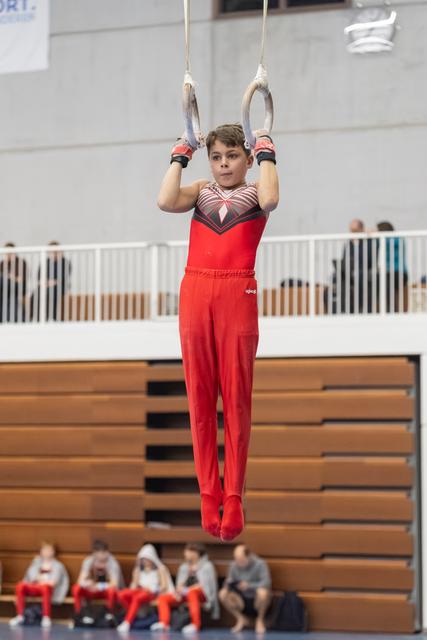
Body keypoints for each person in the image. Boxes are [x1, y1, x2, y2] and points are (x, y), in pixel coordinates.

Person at [157, 124, 279, 541]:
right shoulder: (200, 190)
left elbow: (271, 198)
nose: (224, 165)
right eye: (217, 157)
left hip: (237, 288)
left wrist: (266, 152)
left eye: (232, 156)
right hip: (195, 288)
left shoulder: (256, 188)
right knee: (200, 398)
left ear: (245, 158)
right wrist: (181, 154)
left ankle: (235, 494)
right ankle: (209, 494)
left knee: (236, 397)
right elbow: (164, 200)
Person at [151, 542, 219, 634]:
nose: (187, 554)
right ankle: (164, 623)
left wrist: (195, 576)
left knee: (192, 592)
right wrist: (178, 591)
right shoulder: (184, 567)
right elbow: (179, 585)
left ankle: (195, 624)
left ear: (196, 553)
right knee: (163, 598)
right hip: (185, 593)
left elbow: (208, 586)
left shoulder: (207, 566)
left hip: (201, 594)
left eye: (190, 552)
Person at [9, 541, 69, 629]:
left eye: (49, 550)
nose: (47, 552)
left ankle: (46, 617)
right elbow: (31, 577)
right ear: (41, 551)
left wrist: (40, 579)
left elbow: (53, 582)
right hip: (35, 587)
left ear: (53, 552)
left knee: (45, 588)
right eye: (45, 550)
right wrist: (40, 579)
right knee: (20, 586)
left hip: (48, 589)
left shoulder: (58, 565)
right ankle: (20, 615)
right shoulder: (36, 563)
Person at [116, 544, 174, 633]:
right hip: (139, 590)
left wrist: (153, 588)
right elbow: (134, 585)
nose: (145, 561)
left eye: (147, 559)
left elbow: (164, 586)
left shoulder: (160, 569)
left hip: (151, 592)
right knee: (121, 594)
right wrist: (136, 586)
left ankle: (127, 622)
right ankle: (133, 613)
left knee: (137, 598)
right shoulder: (138, 570)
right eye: (143, 559)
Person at [219, 544, 272, 634]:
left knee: (263, 592)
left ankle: (260, 620)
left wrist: (249, 585)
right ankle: (241, 619)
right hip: (240, 597)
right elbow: (228, 582)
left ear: (248, 556)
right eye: (236, 559)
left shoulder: (260, 564)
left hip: (256, 597)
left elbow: (266, 582)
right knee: (222, 593)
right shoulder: (233, 565)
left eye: (241, 560)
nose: (239, 562)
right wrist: (228, 584)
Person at [71, 539, 123, 617]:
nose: (102, 555)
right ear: (94, 553)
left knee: (112, 591)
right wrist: (87, 584)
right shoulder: (88, 561)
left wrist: (99, 586)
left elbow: (114, 584)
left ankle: (109, 615)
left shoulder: (113, 563)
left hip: (106, 591)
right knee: (76, 588)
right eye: (99, 553)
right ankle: (79, 614)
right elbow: (80, 581)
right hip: (92, 590)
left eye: (104, 552)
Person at [31, 240, 72, 321]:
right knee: (35, 294)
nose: (53, 252)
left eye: (55, 250)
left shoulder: (65, 262)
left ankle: (53, 317)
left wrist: (52, 282)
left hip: (59, 287)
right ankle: (39, 318)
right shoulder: (46, 262)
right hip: (45, 286)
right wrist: (46, 283)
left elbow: (63, 277)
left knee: (52, 293)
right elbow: (39, 277)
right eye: (51, 250)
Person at [377, 221, 409, 312]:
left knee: (392, 295)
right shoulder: (393, 239)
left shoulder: (396, 239)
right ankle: (390, 311)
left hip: (397, 272)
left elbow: (389, 242)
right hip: (392, 272)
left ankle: (393, 312)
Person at [0, 242, 28, 323]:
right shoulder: (2, 264)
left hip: (17, 289)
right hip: (4, 290)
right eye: (6, 252)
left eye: (10, 251)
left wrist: (10, 278)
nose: (8, 254)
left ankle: (19, 318)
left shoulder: (21, 263)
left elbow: (20, 280)